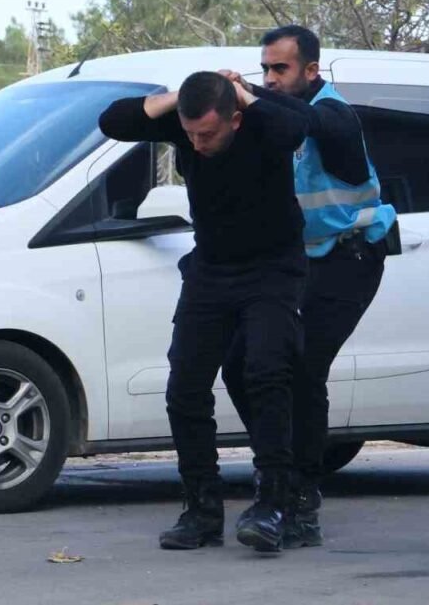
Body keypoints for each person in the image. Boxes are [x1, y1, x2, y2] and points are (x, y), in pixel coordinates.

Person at [98, 71, 309, 553]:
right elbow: (113, 121)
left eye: (207, 134)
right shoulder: (188, 128)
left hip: (272, 269)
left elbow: (298, 127)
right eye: (190, 134)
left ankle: (274, 504)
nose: (197, 144)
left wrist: (244, 94)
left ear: (235, 119)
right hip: (211, 270)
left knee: (266, 374)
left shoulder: (264, 123)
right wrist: (181, 97)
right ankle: (201, 509)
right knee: (185, 388)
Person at [220, 25, 397, 549]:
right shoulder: (277, 115)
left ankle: (299, 496)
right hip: (298, 261)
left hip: (350, 258)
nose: (271, 78)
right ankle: (277, 468)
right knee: (242, 365)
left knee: (301, 367)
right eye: (265, 69)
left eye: (281, 68)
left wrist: (250, 96)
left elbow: (312, 124)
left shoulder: (333, 112)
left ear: (312, 70)